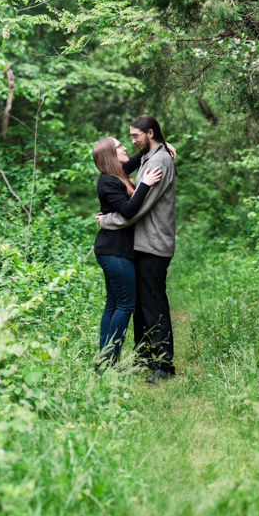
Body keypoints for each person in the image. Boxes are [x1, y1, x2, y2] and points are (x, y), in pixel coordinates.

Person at [98, 115, 177, 383]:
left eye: (135, 136)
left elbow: (135, 210)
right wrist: (166, 146)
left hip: (154, 244)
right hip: (142, 244)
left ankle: (164, 365)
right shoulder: (149, 156)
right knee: (141, 307)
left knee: (153, 305)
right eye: (129, 138)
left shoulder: (158, 161)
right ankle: (143, 359)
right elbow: (131, 165)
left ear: (150, 133)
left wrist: (106, 219)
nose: (132, 142)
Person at [92, 136, 162, 367]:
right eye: (119, 146)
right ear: (110, 155)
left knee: (113, 303)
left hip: (115, 249)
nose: (125, 147)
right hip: (114, 250)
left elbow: (136, 157)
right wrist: (145, 184)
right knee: (124, 305)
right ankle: (109, 361)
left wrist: (162, 145)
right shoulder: (108, 182)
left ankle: (104, 361)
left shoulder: (117, 173)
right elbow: (128, 211)